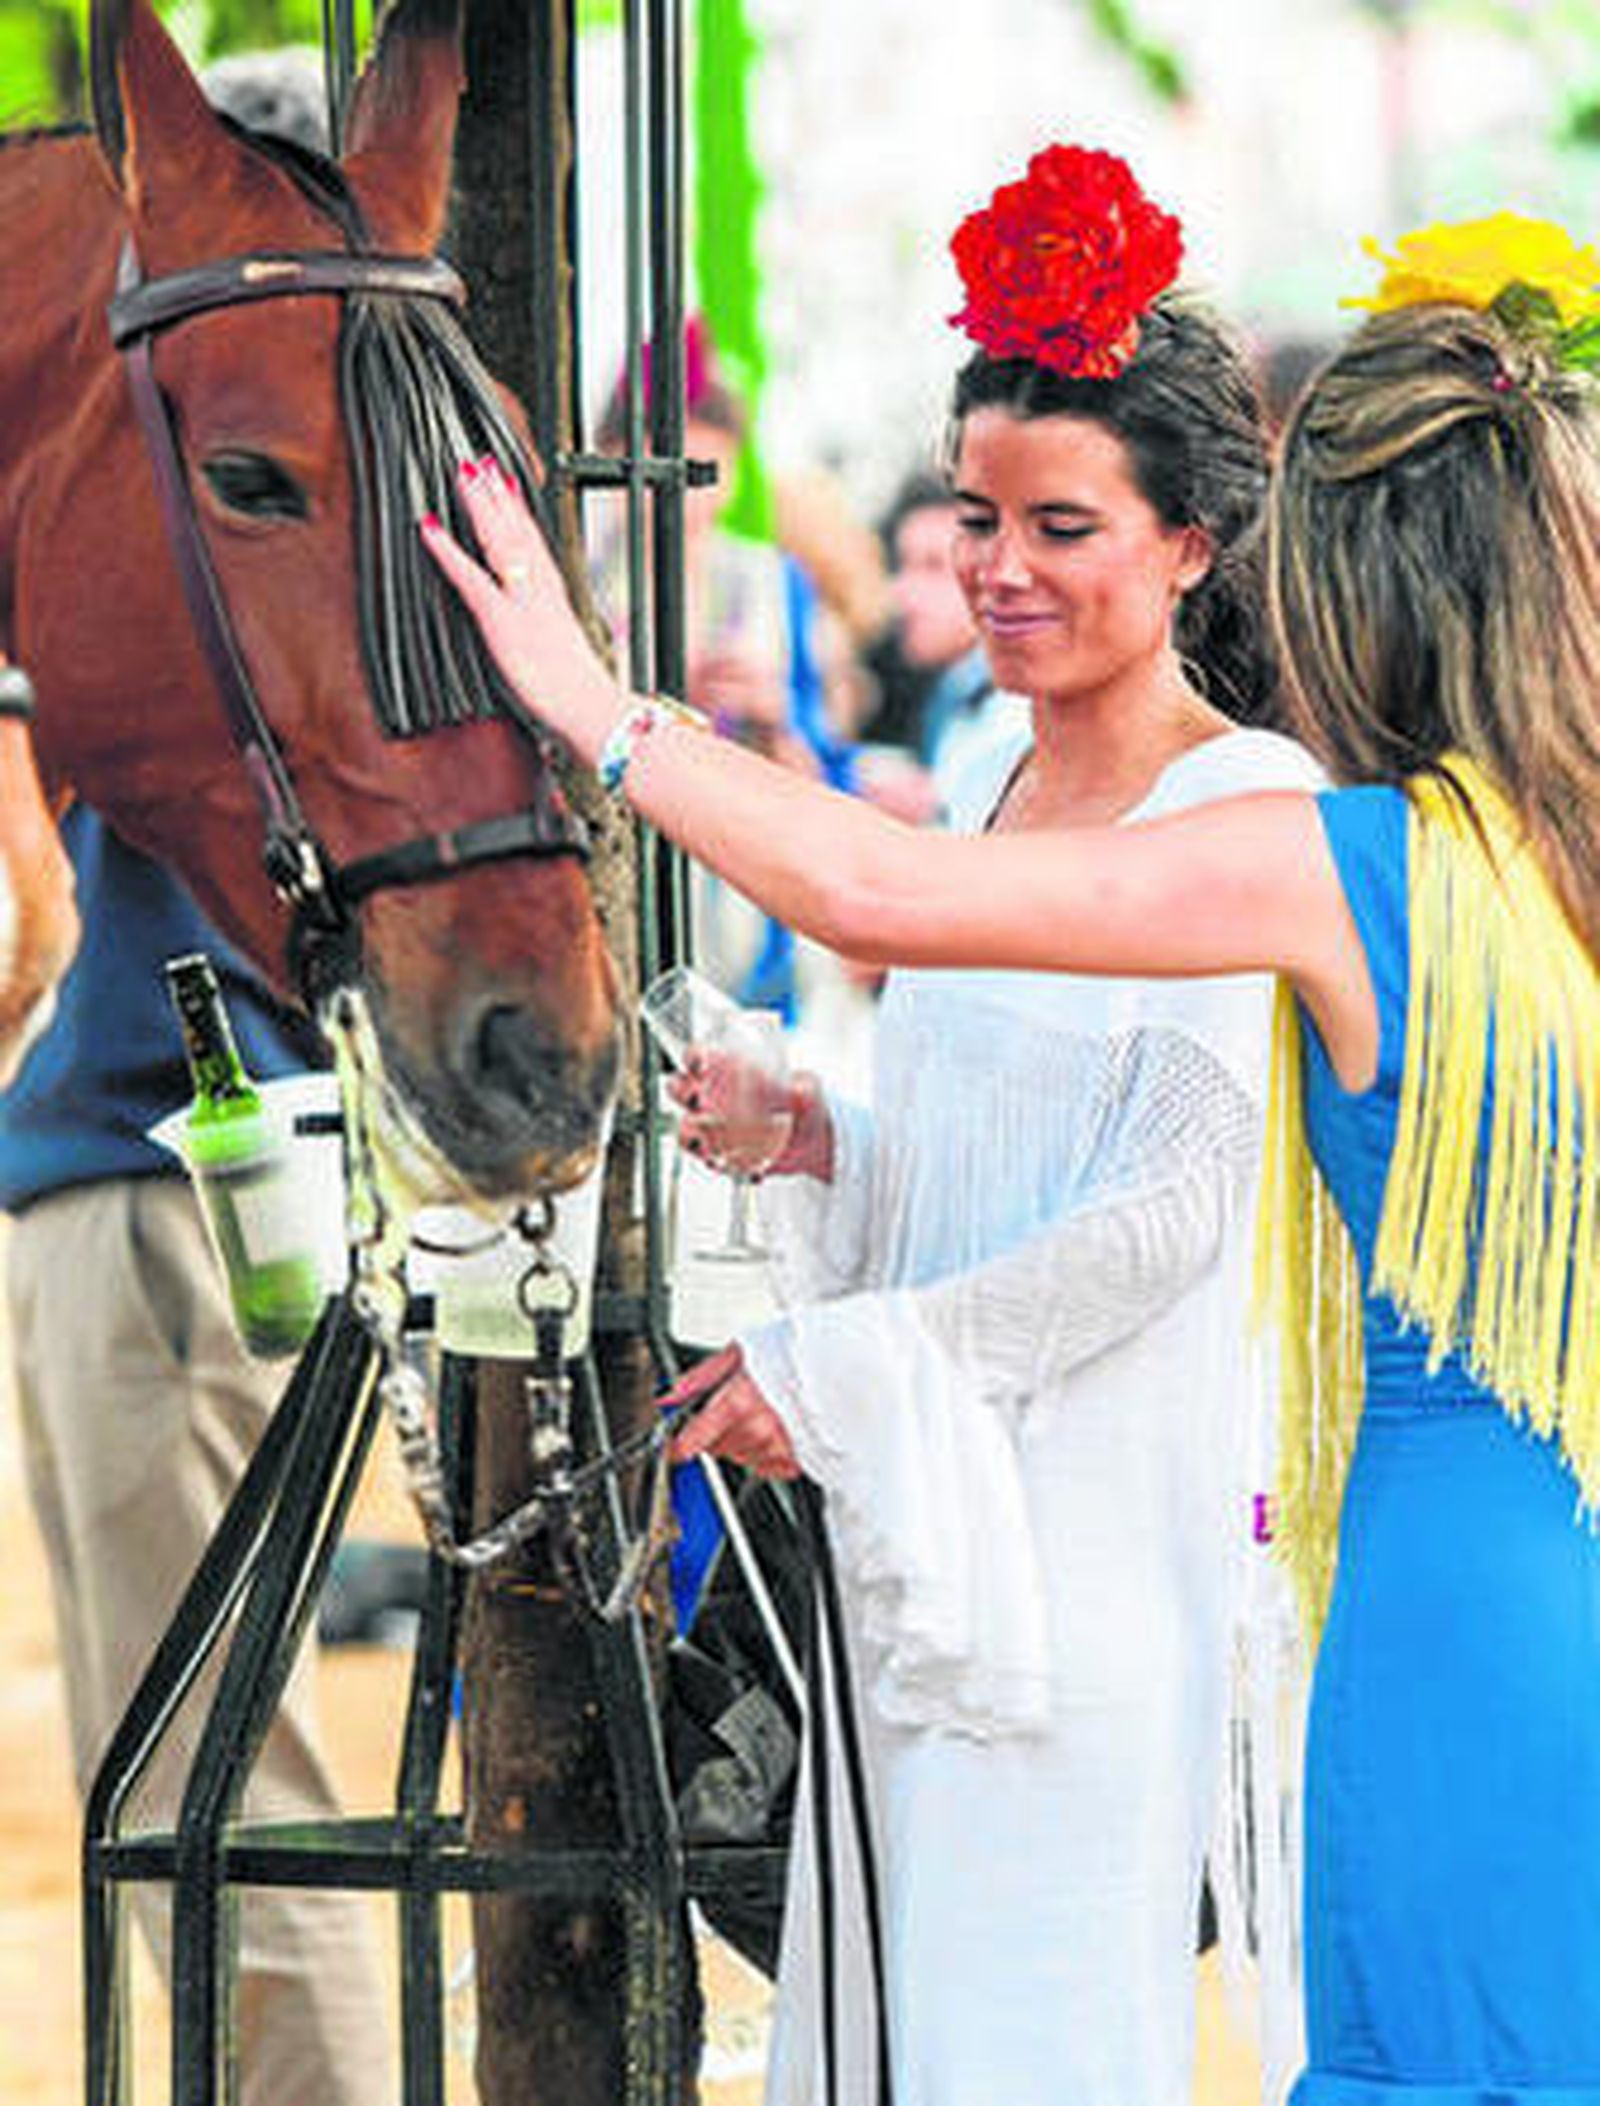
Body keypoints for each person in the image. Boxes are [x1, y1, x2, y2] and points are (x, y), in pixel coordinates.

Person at [428, 182, 1600, 2103]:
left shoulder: (1341, 857)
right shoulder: (1558, 879)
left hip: (1426, 1597)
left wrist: (583, 701)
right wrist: (837, 1148)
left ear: (1349, 587)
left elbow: (874, 897)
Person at [0, 809, 391, 2106]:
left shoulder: (154, 618)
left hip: (171, 1188)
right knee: (174, 1789)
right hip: (129, 1184)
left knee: (220, 1790)